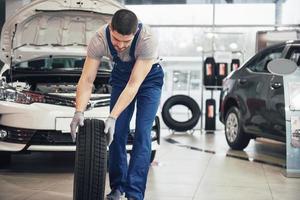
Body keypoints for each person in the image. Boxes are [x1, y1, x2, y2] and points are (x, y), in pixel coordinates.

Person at [70, 9, 164, 200]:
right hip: (121, 77)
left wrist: (113, 115)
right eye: (116, 40)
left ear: (135, 32)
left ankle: (134, 193)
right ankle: (117, 188)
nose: (120, 45)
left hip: (149, 79)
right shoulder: (99, 38)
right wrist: (79, 111)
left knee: (142, 133)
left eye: (126, 41)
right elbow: (87, 79)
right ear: (110, 28)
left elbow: (134, 84)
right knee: (115, 133)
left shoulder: (148, 39)